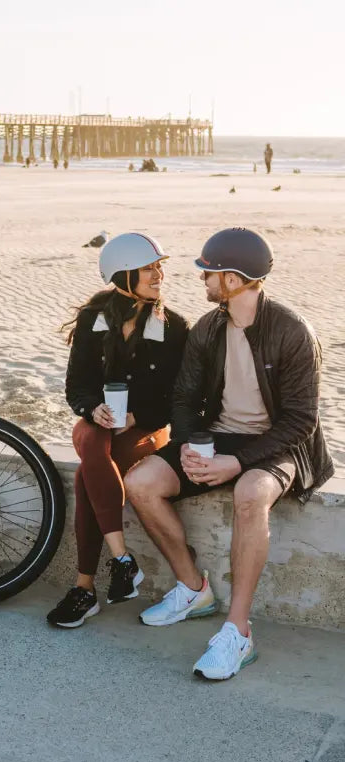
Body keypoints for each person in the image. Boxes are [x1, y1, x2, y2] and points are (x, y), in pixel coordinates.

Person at [124, 227, 333, 680]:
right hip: (219, 436)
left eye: (209, 274)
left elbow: (301, 422)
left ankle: (237, 631)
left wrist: (237, 463)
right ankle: (193, 588)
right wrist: (190, 449)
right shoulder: (209, 328)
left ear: (234, 279)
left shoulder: (293, 331)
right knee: (140, 484)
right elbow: (184, 396)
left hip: (278, 444)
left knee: (250, 494)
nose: (202, 281)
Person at [47, 233, 189, 628]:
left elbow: (178, 399)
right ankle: (121, 560)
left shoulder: (173, 327)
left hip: (146, 430)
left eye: (160, 266)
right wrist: (92, 408)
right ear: (124, 275)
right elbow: (76, 385)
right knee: (92, 442)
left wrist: (135, 415)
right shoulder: (94, 320)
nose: (159, 273)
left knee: (85, 476)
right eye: (149, 267)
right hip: (99, 427)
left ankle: (86, 587)